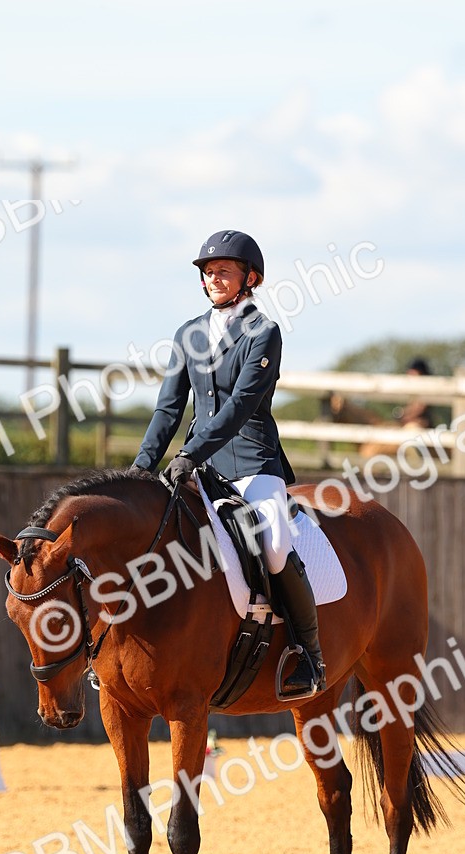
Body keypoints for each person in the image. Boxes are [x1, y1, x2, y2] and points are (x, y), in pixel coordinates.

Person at [132, 229, 325, 698]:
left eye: (224, 271)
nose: (214, 278)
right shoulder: (189, 334)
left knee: (275, 545)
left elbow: (239, 406)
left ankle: (309, 654)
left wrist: (188, 453)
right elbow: (168, 408)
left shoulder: (264, 333)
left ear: (250, 278)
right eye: (208, 272)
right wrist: (139, 471)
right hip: (200, 470)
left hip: (253, 464)